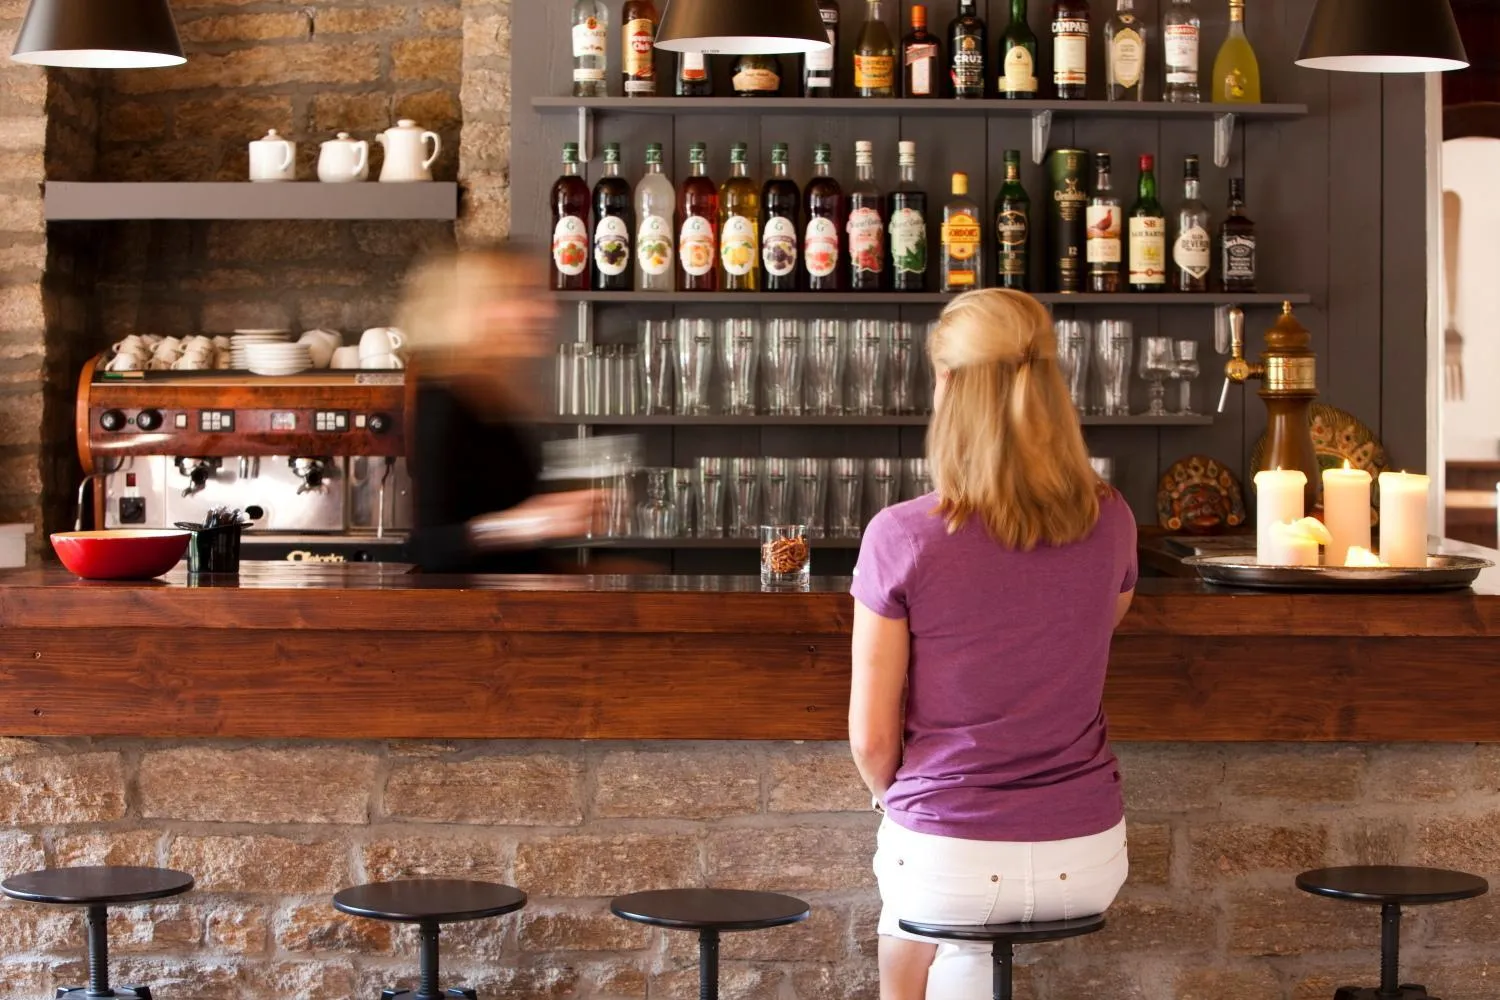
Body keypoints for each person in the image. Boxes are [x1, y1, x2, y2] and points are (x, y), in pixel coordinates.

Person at [848, 288, 1137, 1000]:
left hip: (951, 854)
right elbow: (1095, 625)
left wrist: (907, 804)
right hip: (1088, 854)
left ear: (947, 384)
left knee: (918, 919)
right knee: (955, 937)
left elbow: (872, 741)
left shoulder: (903, 535)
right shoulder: (1112, 519)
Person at [396, 248, 597, 573]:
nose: (547, 311)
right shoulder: (446, 398)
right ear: (480, 309)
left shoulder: (505, 392)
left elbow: (516, 553)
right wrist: (536, 522)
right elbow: (431, 546)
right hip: (467, 616)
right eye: (525, 296)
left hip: (509, 610)